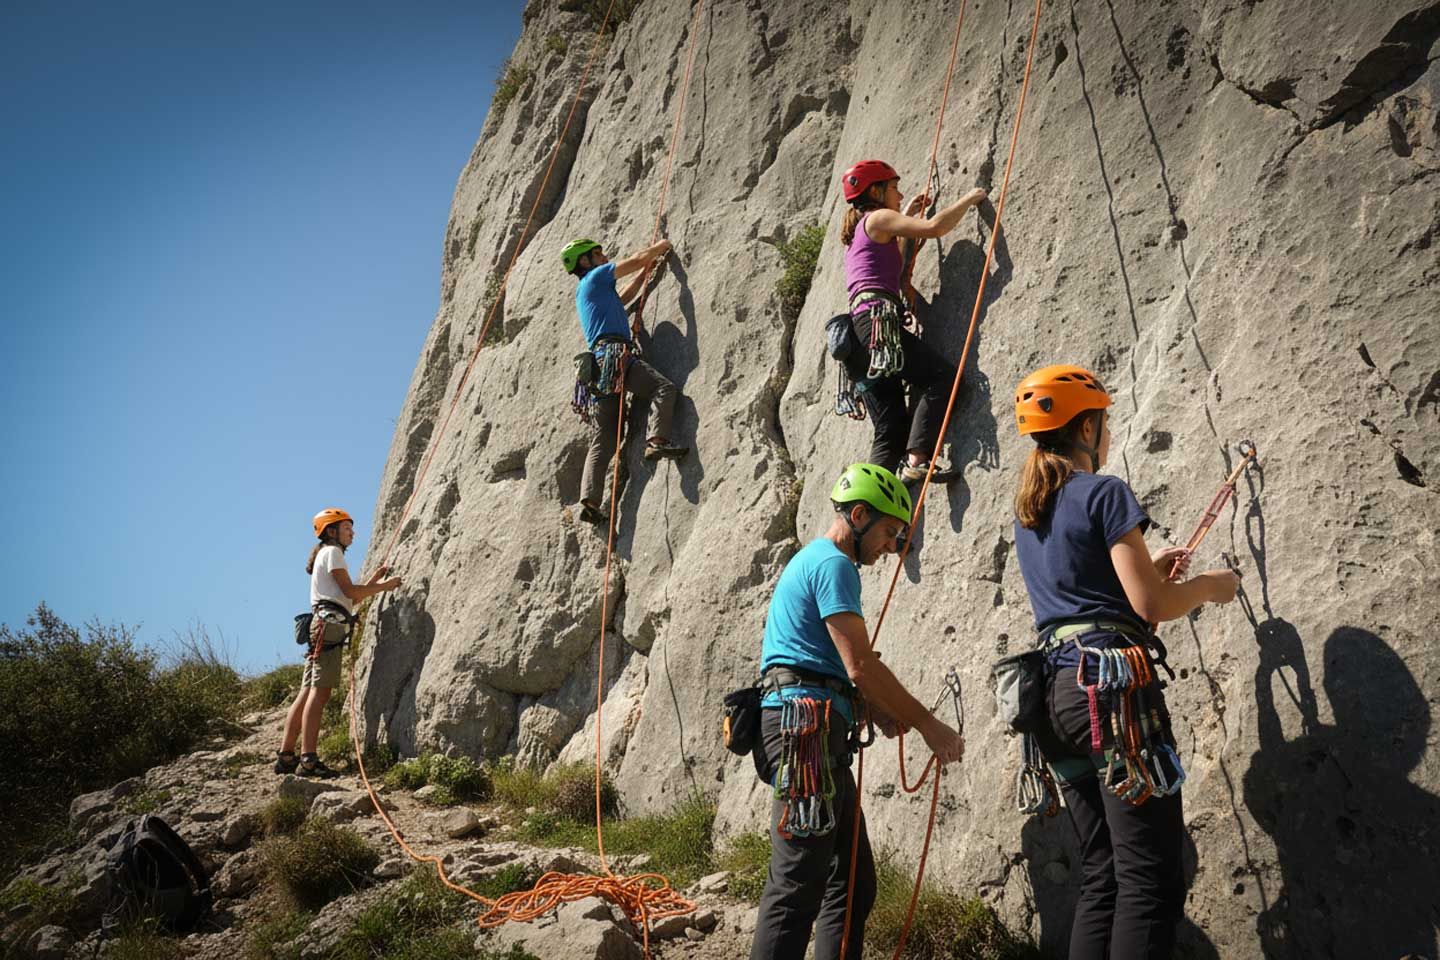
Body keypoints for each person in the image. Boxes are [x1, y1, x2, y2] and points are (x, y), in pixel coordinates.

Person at [1009, 365, 1239, 958]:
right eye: (1104, 423)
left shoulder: (1029, 511)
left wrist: (1145, 568)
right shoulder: (1104, 492)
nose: (1106, 434)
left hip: (1056, 699)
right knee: (1148, 878)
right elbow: (1151, 603)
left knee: (1105, 872)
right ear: (1087, 427)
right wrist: (1212, 586)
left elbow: (1082, 594)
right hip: (1109, 692)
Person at [749, 463, 965, 960]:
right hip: (805, 729)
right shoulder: (834, 565)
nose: (892, 546)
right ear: (860, 515)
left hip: (813, 725)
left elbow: (829, 665)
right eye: (890, 532)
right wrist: (928, 725)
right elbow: (860, 664)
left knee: (851, 884)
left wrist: (875, 709)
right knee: (798, 881)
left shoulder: (818, 562)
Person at [837, 160, 987, 483]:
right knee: (942, 379)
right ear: (876, 192)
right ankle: (916, 460)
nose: (899, 192)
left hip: (859, 335)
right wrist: (970, 199)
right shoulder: (878, 218)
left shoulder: (861, 233)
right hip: (878, 325)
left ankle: (869, 509)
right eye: (893, 187)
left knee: (891, 429)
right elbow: (934, 228)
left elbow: (892, 265)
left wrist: (905, 210)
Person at [562, 236, 689, 526]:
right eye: (598, 253)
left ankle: (590, 500)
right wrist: (659, 248)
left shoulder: (589, 291)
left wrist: (648, 274)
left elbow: (623, 300)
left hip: (597, 367)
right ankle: (656, 440)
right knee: (663, 388)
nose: (604, 255)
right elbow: (635, 259)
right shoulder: (596, 276)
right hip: (615, 356)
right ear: (585, 261)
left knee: (605, 435)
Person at [274, 508, 401, 777]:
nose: (352, 532)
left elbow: (349, 599)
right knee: (319, 694)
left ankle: (287, 756)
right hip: (328, 628)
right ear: (331, 531)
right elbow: (350, 592)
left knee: (307, 692)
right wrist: (385, 586)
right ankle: (308, 759)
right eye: (347, 528)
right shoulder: (333, 553)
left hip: (321, 626)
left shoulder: (326, 554)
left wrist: (374, 581)